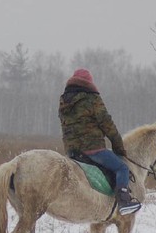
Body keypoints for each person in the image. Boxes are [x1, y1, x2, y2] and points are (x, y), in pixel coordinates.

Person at [58, 68, 141, 215]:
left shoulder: (64, 102)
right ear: (89, 83)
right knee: (122, 168)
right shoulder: (92, 99)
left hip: (72, 151)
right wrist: (119, 148)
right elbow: (107, 124)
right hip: (93, 149)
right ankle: (124, 201)